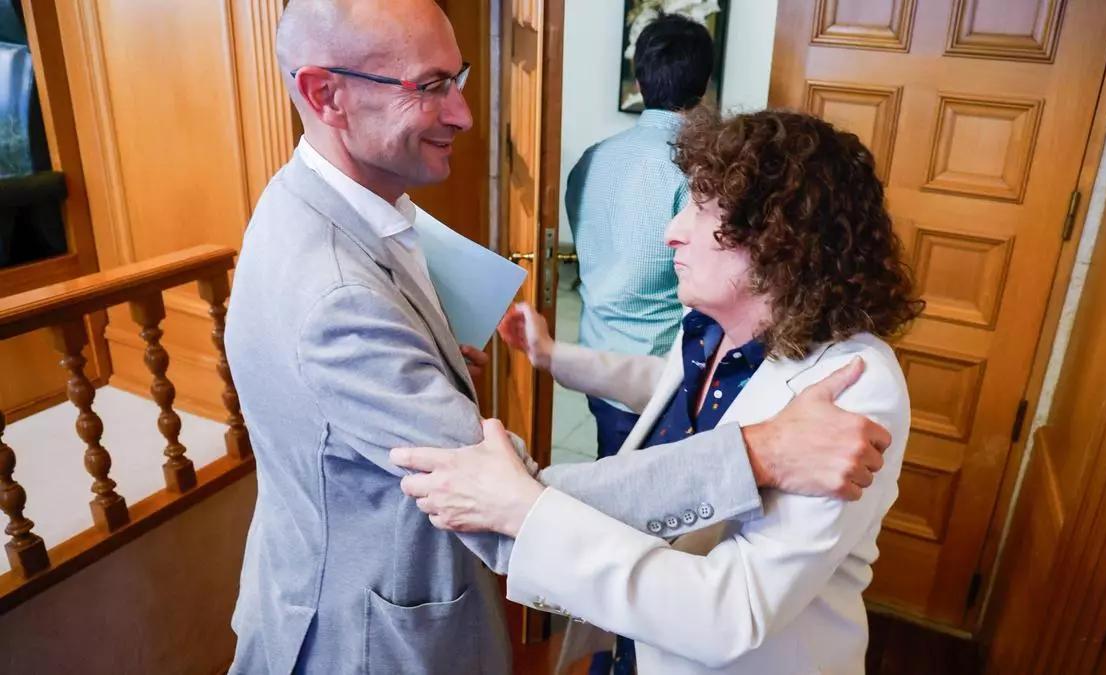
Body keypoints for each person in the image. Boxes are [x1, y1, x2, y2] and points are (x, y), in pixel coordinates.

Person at [224, 2, 894, 673]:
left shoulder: (321, 205)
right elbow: (503, 490)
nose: (462, 114)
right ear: (325, 94)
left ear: (780, 242)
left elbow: (730, 608)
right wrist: (756, 454)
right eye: (432, 88)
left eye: (454, 80)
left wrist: (430, 369)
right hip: (360, 625)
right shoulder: (335, 289)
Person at [392, 109, 924, 674]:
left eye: (702, 209)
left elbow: (731, 612)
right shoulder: (714, 327)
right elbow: (672, 393)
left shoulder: (852, 388)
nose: (673, 231)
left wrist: (526, 510)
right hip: (639, 638)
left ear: (779, 240)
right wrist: (552, 357)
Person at [566, 14, 713, 462]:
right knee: (643, 496)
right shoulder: (696, 172)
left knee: (610, 462)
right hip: (657, 369)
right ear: (704, 86)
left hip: (598, 357)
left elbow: (583, 240)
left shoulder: (593, 160)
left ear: (639, 79)